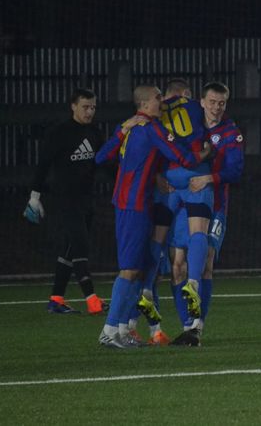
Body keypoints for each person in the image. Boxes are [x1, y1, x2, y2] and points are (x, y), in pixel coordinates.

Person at [94, 84, 212, 349]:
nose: (162, 102)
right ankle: (109, 331)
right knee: (129, 269)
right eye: (158, 98)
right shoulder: (152, 128)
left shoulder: (131, 127)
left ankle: (121, 330)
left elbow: (101, 156)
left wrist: (122, 129)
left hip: (129, 202)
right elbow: (181, 157)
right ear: (146, 103)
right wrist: (206, 153)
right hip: (133, 204)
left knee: (138, 268)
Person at [167, 82, 245, 346]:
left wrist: (208, 178)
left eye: (221, 103)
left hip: (216, 206)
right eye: (212, 102)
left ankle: (197, 327)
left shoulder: (231, 133)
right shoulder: (189, 123)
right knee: (178, 264)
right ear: (201, 102)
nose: (216, 107)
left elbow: (235, 171)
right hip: (183, 202)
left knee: (206, 262)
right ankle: (186, 326)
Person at [23, 88, 109, 315]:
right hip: (65, 199)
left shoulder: (95, 133)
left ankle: (56, 299)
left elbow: (106, 164)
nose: (90, 112)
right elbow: (43, 164)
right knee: (81, 245)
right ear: (73, 106)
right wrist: (34, 197)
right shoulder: (59, 133)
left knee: (70, 249)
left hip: (86, 198)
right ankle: (91, 299)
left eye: (93, 107)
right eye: (85, 107)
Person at [145, 79, 213, 340]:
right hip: (195, 174)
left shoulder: (157, 112)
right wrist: (206, 153)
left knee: (161, 241)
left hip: (168, 180)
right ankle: (193, 282)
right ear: (186, 93)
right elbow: (213, 132)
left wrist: (155, 176)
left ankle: (147, 287)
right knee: (199, 232)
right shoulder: (196, 106)